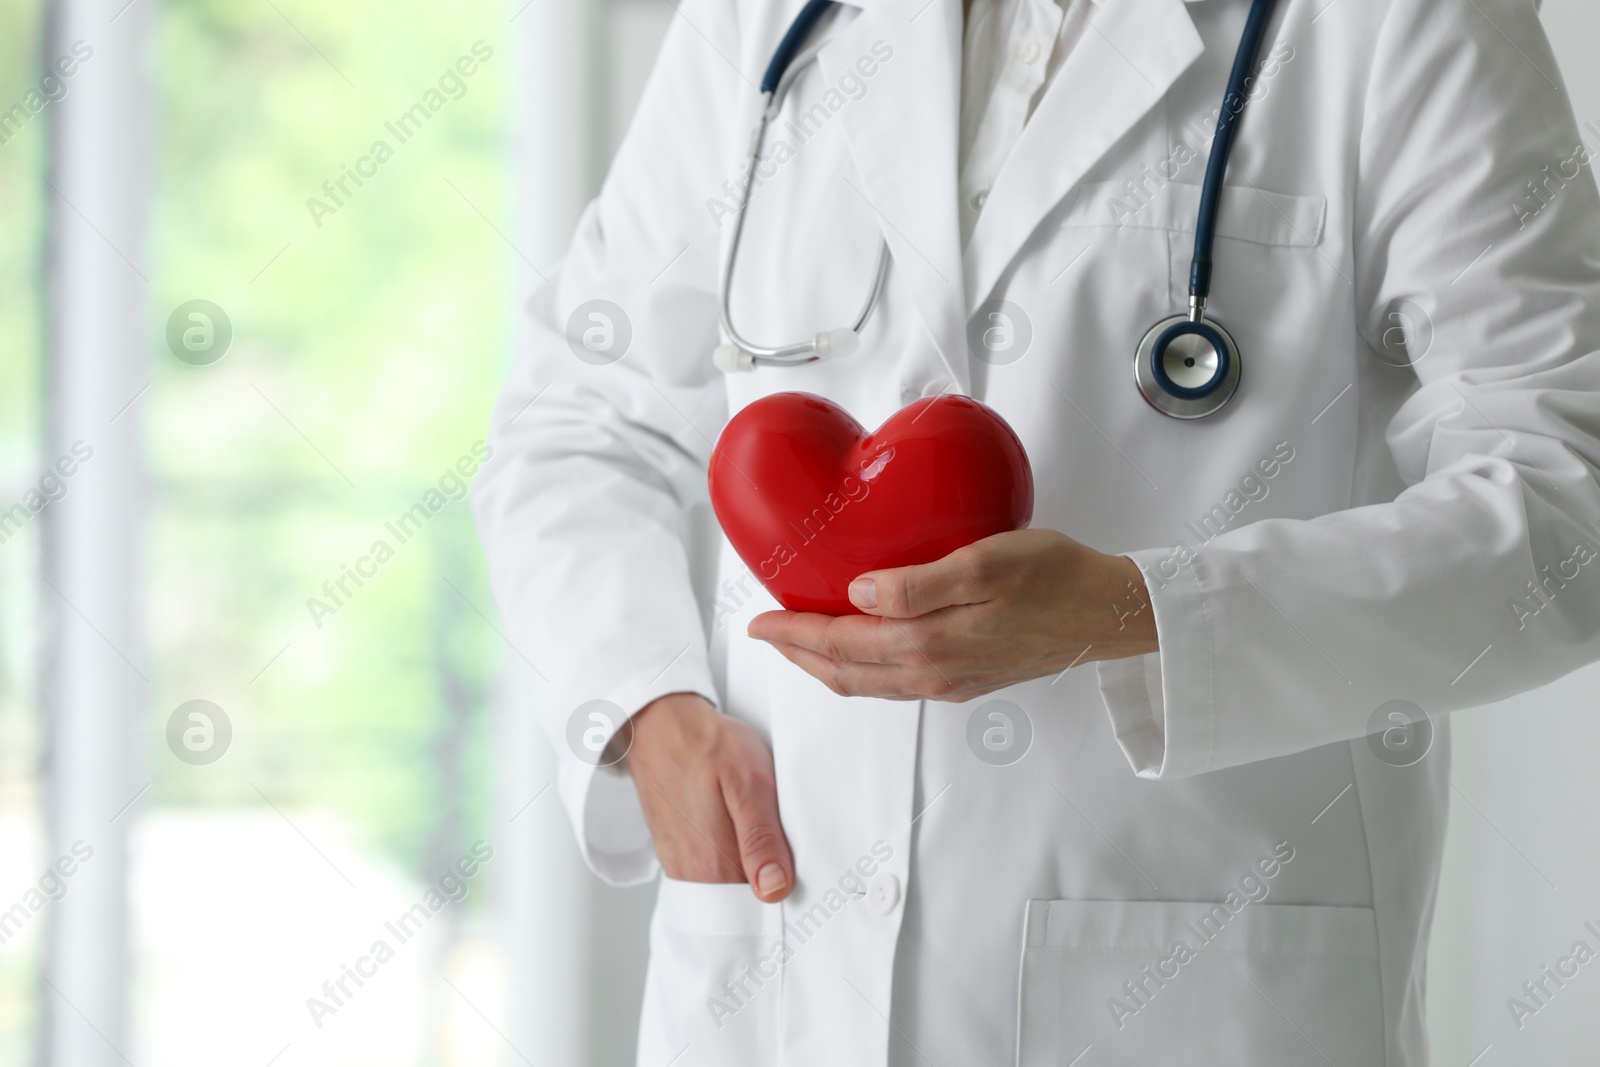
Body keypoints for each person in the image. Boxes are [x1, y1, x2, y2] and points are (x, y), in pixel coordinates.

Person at [472, 0, 1600, 1061]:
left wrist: (1143, 612)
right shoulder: (769, 20)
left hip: (1190, 986)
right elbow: (579, 420)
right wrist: (641, 708)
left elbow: (1568, 487)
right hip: (776, 980)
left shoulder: (1403, 22)